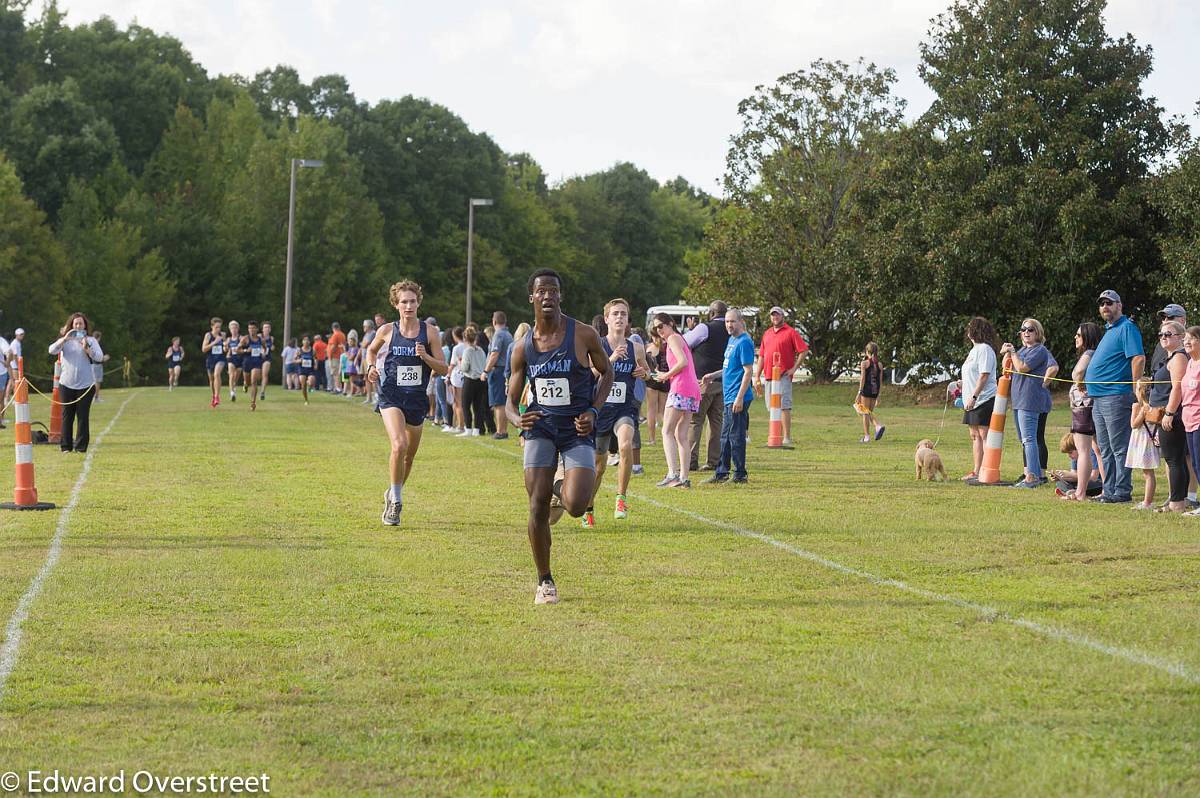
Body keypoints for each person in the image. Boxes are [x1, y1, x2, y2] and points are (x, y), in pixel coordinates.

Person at [506, 268, 613, 605]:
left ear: (560, 296)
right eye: (541, 291)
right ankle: (545, 580)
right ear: (532, 298)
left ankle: (558, 487)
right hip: (540, 429)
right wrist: (517, 420)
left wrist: (593, 411)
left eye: (553, 291)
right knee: (536, 505)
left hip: (576, 431)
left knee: (577, 505)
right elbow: (509, 401)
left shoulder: (582, 335)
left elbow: (606, 373)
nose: (547, 296)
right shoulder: (523, 347)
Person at [364, 281, 448, 526]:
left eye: (412, 301)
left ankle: (393, 490)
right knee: (398, 445)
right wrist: (370, 367)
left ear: (418, 302)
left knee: (409, 457)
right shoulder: (387, 331)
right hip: (391, 396)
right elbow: (370, 351)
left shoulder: (430, 332)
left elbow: (443, 368)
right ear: (396, 304)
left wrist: (425, 356)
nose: (408, 306)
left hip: (417, 400)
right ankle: (396, 503)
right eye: (404, 302)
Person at [582, 298, 651, 527]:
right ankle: (588, 508)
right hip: (601, 408)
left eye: (623, 314)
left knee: (624, 445)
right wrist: (609, 360)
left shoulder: (636, 347)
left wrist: (643, 373)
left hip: (625, 407)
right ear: (607, 319)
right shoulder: (597, 345)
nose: (620, 317)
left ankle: (621, 498)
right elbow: (588, 374)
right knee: (598, 466)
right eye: (615, 314)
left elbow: (648, 373)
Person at [1085, 290, 1145, 504]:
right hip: (1099, 398)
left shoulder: (1127, 328)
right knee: (1105, 447)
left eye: (1109, 303)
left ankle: (1121, 491)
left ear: (1119, 305)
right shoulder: (1109, 330)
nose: (1105, 307)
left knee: (1119, 447)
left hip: (1116, 396)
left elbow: (1138, 358)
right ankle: (1109, 490)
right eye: (1102, 304)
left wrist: (1134, 386)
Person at [1001, 318, 1059, 487]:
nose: (1026, 332)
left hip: (1030, 401)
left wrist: (1012, 353)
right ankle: (1032, 475)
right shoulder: (1022, 350)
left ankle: (1032, 477)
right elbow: (1008, 368)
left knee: (1030, 439)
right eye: (1023, 329)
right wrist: (1007, 352)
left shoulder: (1039, 350)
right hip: (1019, 400)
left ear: (1038, 333)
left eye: (1030, 329)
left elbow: (1022, 368)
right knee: (1025, 440)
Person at [700, 307, 755, 484]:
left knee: (735, 436)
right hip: (728, 394)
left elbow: (747, 372)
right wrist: (713, 375)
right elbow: (729, 368)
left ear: (741, 322)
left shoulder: (744, 342)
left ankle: (739, 474)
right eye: (727, 322)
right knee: (725, 435)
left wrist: (739, 398)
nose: (729, 325)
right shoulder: (732, 340)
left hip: (737, 397)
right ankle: (722, 472)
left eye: (732, 321)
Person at [652, 313, 700, 488]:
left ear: (670, 323)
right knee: (681, 435)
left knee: (666, 431)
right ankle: (684, 478)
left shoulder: (673, 338)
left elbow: (682, 362)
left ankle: (673, 474)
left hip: (681, 388)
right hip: (692, 389)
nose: (659, 331)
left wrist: (666, 375)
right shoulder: (678, 338)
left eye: (661, 326)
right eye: (656, 328)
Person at [683, 301, 729, 472]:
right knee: (716, 423)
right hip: (722, 381)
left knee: (695, 421)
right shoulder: (731, 329)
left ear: (711, 313)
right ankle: (714, 461)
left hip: (703, 381)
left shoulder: (704, 328)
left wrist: (691, 329)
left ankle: (691, 461)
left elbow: (685, 342)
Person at [47, 313, 103, 453]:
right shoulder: (65, 341)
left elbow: (100, 357)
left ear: (85, 325)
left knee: (83, 417)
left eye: (81, 324)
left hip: (86, 385)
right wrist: (64, 339)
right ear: (71, 325)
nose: (78, 326)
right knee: (67, 416)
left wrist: (87, 349)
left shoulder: (90, 340)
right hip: (66, 384)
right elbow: (52, 350)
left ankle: (81, 447)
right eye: (76, 323)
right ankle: (66, 446)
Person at [754, 306, 808, 445]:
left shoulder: (791, 332)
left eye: (777, 315)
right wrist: (757, 376)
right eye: (772, 315)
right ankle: (774, 435)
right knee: (771, 407)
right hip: (769, 376)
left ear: (782, 316)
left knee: (784, 406)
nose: (775, 317)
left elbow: (803, 350)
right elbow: (762, 356)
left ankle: (787, 437)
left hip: (783, 375)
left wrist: (794, 369)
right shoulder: (767, 334)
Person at [1065, 322, 1104, 501]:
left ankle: (1080, 492)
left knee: (1084, 450)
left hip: (1084, 406)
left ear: (1087, 337)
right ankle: (1106, 489)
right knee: (1097, 449)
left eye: (1079, 335)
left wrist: (1078, 382)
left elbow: (1077, 373)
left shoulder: (1089, 353)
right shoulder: (1099, 354)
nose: (1075, 337)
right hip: (1093, 404)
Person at [1152, 320, 1189, 512]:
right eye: (1161, 334)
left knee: (1174, 460)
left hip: (1173, 415)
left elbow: (1178, 388)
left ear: (1181, 337)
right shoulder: (1171, 358)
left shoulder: (1178, 358)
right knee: (1177, 459)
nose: (1163, 337)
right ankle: (1178, 501)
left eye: (1168, 334)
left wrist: (1169, 412)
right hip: (1167, 413)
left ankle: (1176, 503)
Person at [959, 317, 999, 481]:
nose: (968, 330)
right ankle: (976, 470)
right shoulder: (974, 351)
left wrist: (974, 396)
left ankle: (986, 470)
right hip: (971, 399)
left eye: (970, 327)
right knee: (974, 435)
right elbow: (974, 374)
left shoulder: (985, 349)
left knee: (984, 434)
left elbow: (984, 376)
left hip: (983, 399)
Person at [1125, 378, 1160, 510]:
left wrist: (1140, 411)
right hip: (1146, 441)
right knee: (1147, 472)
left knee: (1148, 473)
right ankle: (1147, 501)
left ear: (1140, 391)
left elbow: (1134, 424)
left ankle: (1147, 502)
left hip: (1143, 442)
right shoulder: (1154, 406)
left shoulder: (1140, 407)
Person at [485, 311, 515, 440]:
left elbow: (494, 354)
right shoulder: (508, 334)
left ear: (494, 321)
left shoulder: (498, 335)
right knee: (502, 401)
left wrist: (485, 370)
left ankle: (500, 431)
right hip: (505, 370)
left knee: (498, 403)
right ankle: (503, 430)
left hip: (498, 371)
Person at [458, 328, 488, 437]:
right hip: (481, 380)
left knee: (465, 405)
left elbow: (465, 368)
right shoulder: (480, 350)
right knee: (478, 406)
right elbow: (485, 364)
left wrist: (460, 362)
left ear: (465, 338)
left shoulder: (467, 351)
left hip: (470, 380)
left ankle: (468, 429)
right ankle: (477, 429)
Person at [856, 342, 885, 443]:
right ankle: (877, 427)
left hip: (866, 391)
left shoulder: (864, 363)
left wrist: (859, 392)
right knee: (868, 413)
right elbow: (880, 382)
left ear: (867, 351)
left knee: (865, 413)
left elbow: (863, 378)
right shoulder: (880, 365)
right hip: (875, 391)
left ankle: (867, 436)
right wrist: (878, 395)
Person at [644, 327, 669, 445]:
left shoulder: (649, 348)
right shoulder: (667, 346)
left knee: (651, 410)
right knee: (662, 412)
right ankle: (667, 436)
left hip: (652, 380)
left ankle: (652, 439)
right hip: (665, 379)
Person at [1151, 304, 1187, 373]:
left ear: (1182, 320)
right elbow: (1155, 369)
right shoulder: (1161, 343)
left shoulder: (1191, 342)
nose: (1166, 320)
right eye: (1163, 317)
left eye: (1170, 317)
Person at [240, 321, 266, 410]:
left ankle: (253, 402)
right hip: (247, 362)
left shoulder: (261, 340)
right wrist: (246, 351)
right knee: (247, 381)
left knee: (254, 382)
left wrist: (263, 353)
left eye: (253, 328)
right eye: (250, 328)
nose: (251, 330)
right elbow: (237, 350)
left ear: (257, 329)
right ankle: (245, 384)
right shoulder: (245, 339)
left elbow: (265, 349)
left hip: (257, 362)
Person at [202, 319, 226, 407]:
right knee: (212, 380)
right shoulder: (208, 335)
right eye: (216, 327)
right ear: (212, 326)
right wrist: (214, 342)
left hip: (220, 359)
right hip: (210, 359)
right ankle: (214, 395)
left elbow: (225, 348)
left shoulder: (223, 335)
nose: (218, 329)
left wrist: (225, 346)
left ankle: (217, 396)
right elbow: (204, 349)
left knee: (217, 374)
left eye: (219, 327)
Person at [295, 336, 318, 404]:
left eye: (307, 340)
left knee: (311, 381)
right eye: (305, 340)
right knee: (303, 385)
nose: (306, 342)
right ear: (302, 342)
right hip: (302, 369)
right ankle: (306, 399)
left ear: (309, 342)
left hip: (310, 369)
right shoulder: (299, 351)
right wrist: (299, 360)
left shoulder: (312, 350)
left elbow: (315, 358)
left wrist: (316, 364)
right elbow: (294, 360)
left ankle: (309, 386)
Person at [90, 330, 110, 401]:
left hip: (92, 365)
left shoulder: (91, 344)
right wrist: (104, 358)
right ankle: (96, 397)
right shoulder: (95, 345)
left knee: (94, 382)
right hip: (96, 365)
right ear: (98, 338)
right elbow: (96, 358)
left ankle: (95, 397)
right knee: (97, 382)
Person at [327, 322, 346, 394]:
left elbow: (333, 346)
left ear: (333, 328)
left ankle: (338, 388)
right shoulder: (342, 334)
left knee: (336, 373)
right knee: (343, 373)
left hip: (335, 356)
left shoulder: (335, 335)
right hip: (342, 356)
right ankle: (344, 388)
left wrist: (330, 356)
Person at [226, 320, 242, 402]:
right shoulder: (228, 339)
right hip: (231, 358)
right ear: (230, 329)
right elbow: (225, 349)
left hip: (239, 358)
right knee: (231, 375)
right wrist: (226, 348)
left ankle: (234, 385)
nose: (234, 329)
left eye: (235, 328)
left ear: (238, 329)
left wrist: (239, 349)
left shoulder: (240, 338)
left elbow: (243, 347)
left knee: (237, 374)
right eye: (232, 328)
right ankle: (232, 393)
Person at [259, 321, 274, 399]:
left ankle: (262, 392)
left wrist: (272, 347)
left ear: (270, 329)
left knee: (265, 374)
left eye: (268, 327)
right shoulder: (259, 336)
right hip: (257, 358)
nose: (267, 329)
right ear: (262, 329)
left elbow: (271, 347)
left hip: (267, 358)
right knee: (256, 375)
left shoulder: (271, 338)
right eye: (265, 327)